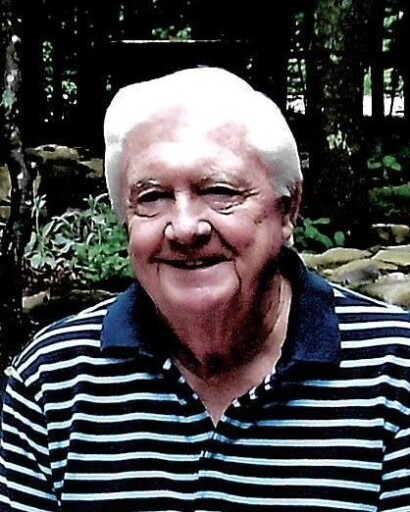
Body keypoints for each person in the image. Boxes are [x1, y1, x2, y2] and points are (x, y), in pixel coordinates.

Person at [0, 67, 409, 512]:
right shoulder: (53, 379)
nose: (185, 227)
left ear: (288, 209)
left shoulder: (395, 372)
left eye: (219, 191)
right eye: (152, 197)